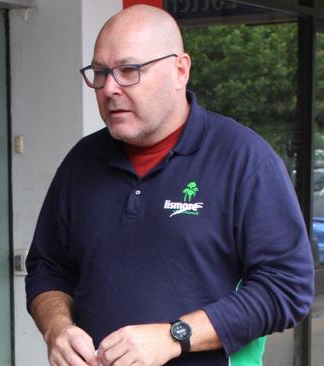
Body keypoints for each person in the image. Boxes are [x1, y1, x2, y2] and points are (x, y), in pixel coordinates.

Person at [25, 5, 314, 366]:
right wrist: (57, 328)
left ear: (180, 70)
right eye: (100, 73)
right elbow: (47, 268)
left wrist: (175, 335)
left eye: (129, 70)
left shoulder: (243, 159)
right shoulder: (81, 162)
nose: (109, 88)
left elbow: (287, 288)